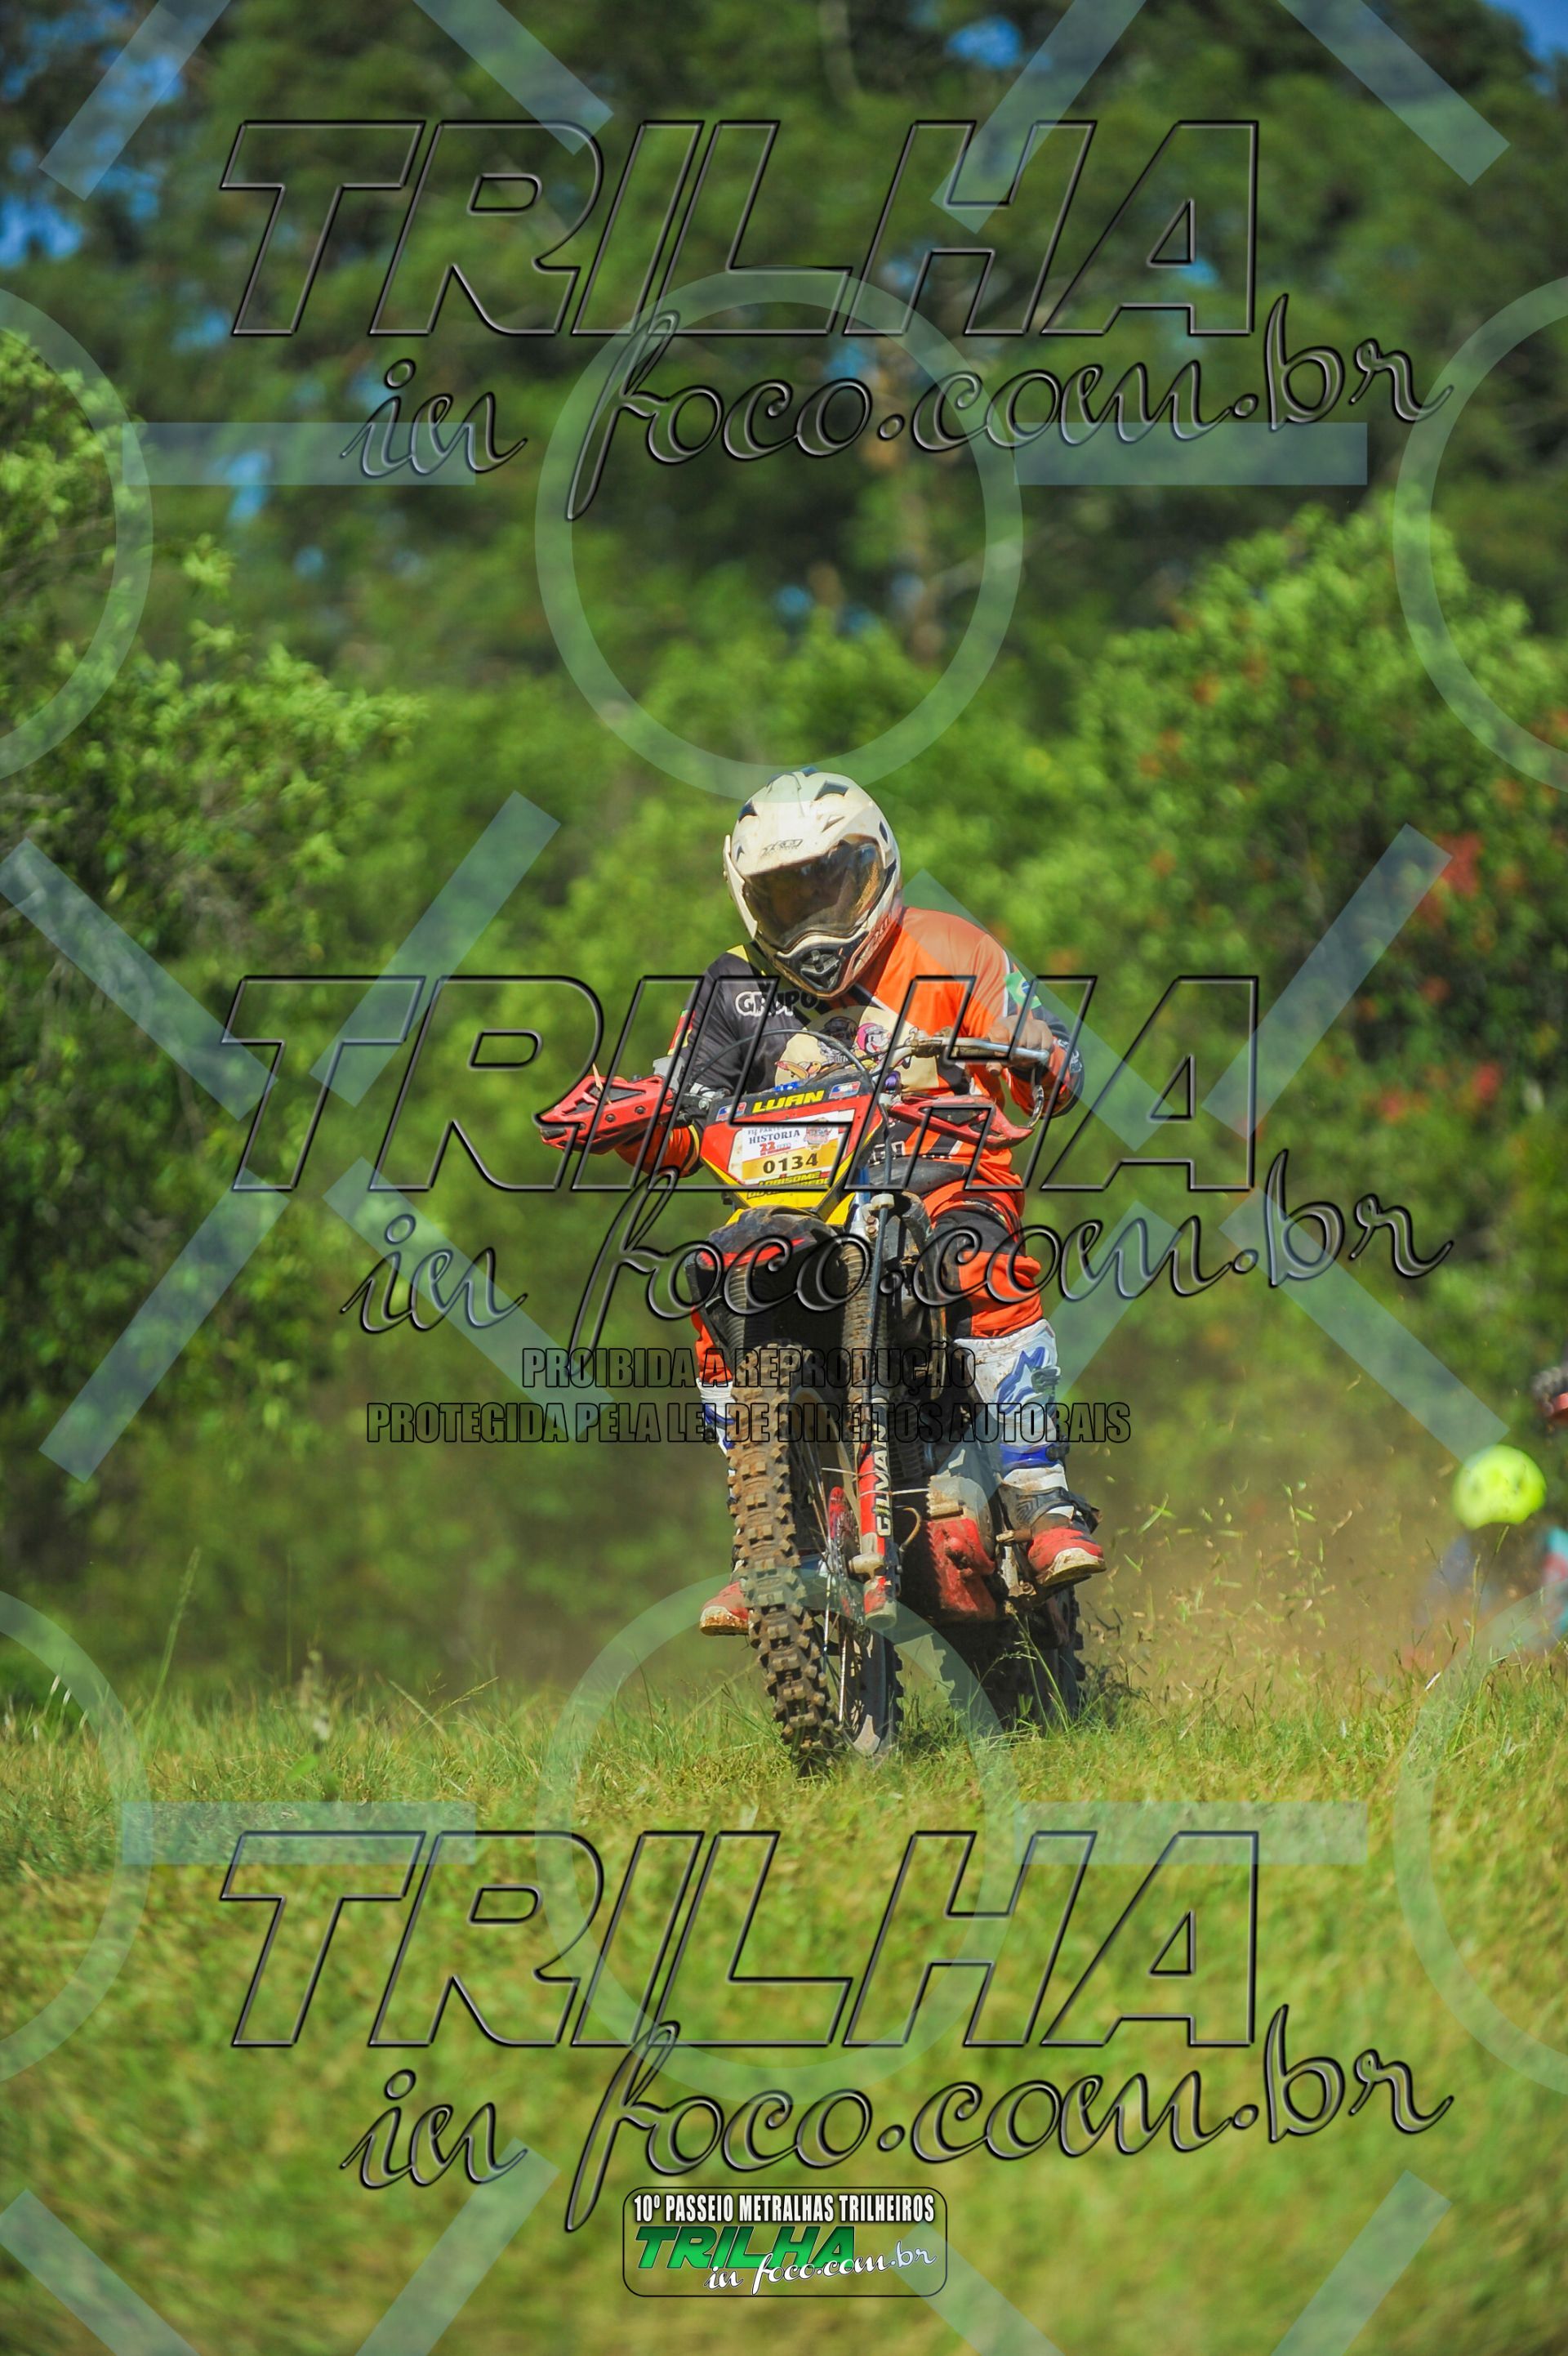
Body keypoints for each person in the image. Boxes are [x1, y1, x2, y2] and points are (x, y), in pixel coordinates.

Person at [539, 769, 1105, 1634]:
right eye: (784, 896)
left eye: (826, 883)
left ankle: (1038, 1492)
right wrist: (632, 1118)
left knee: (982, 1266)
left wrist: (1035, 1050)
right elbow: (684, 1113)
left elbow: (1048, 1050)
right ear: (748, 899)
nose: (809, 915)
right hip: (794, 1206)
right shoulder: (733, 989)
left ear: (874, 868)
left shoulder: (949, 947)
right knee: (716, 1282)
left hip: (943, 1178)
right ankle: (769, 1537)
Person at [1416, 1345, 1568, 1660]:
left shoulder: (1561, 1561)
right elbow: (1419, 1641)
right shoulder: (1460, 1560)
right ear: (1469, 1534)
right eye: (1488, 1536)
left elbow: (1546, 1645)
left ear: (1538, 1524)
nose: (1501, 1548)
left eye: (1513, 1535)